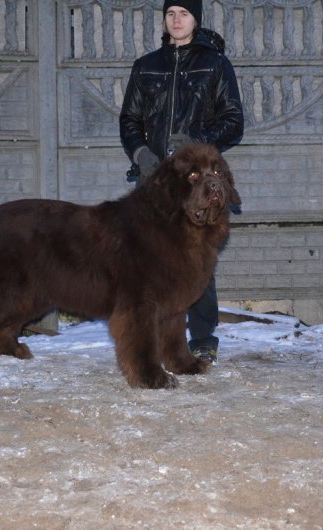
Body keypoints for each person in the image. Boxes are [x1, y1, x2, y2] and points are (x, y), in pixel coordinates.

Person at [119, 0, 244, 364]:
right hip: (154, 184)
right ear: (164, 19)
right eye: (171, 13)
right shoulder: (146, 66)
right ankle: (153, 335)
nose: (177, 20)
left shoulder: (215, 63)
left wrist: (196, 144)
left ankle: (203, 337)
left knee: (196, 258)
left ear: (196, 19)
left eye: (184, 13)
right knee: (149, 260)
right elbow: (129, 120)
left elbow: (234, 120)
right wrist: (142, 155)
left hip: (199, 183)